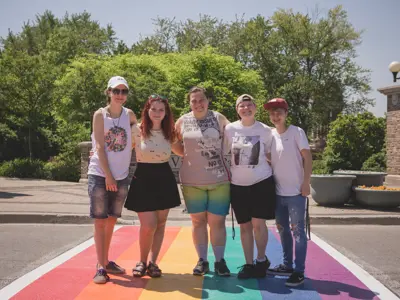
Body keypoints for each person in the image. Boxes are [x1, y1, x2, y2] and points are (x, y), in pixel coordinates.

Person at [175, 86, 231, 276]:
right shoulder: (182, 120)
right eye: (194, 101)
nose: (198, 104)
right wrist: (187, 154)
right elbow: (172, 142)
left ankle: (219, 261)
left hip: (219, 179)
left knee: (217, 222)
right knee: (198, 222)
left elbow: (235, 136)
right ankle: (202, 260)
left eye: (201, 100)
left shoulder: (219, 118)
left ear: (208, 101)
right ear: (189, 103)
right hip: (192, 181)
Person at [124, 94, 182, 278]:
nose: (157, 113)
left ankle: (153, 263)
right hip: (143, 178)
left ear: (166, 113)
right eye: (153, 109)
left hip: (164, 178)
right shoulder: (136, 130)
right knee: (148, 225)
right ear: (147, 111)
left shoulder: (170, 132)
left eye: (161, 110)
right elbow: (122, 149)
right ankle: (142, 261)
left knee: (161, 223)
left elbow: (182, 151)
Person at [87, 76, 137, 284]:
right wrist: (108, 174)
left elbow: (138, 134)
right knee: (100, 221)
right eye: (116, 91)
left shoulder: (129, 115)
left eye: (123, 91)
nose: (120, 95)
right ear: (108, 92)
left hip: (121, 175)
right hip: (101, 174)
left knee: (111, 221)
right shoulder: (100, 115)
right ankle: (100, 266)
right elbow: (99, 146)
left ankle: (106, 261)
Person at [224, 94, 276, 279]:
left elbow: (272, 156)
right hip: (238, 185)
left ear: (255, 107)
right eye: (241, 106)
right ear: (237, 109)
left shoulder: (265, 130)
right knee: (244, 226)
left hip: (261, 182)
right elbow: (224, 154)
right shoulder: (229, 129)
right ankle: (248, 264)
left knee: (258, 224)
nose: (246, 108)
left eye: (249, 105)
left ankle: (261, 260)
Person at [264, 98, 312, 287]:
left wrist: (306, 182)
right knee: (282, 230)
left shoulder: (296, 132)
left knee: (298, 232)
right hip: (277, 192)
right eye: (272, 113)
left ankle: (299, 271)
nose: (275, 116)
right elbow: (270, 156)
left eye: (279, 112)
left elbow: (307, 158)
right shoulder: (270, 135)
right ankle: (287, 265)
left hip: (296, 193)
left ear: (286, 113)